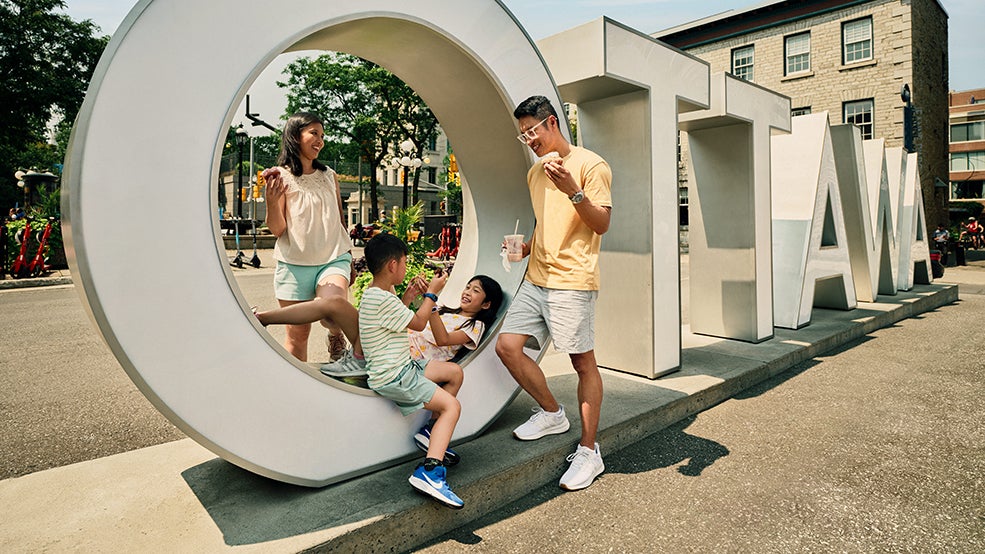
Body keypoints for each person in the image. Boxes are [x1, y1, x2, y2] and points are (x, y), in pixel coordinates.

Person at [495, 95, 612, 491]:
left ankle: (589, 450)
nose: (529, 139)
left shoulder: (591, 165)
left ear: (552, 124)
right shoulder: (534, 175)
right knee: (507, 346)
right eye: (522, 135)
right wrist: (526, 248)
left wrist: (573, 191)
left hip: (572, 280)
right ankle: (551, 412)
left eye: (532, 131)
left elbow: (601, 225)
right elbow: (549, 226)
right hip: (536, 277)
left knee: (583, 364)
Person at [359, 233, 466, 509]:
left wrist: (409, 296)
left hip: (402, 367)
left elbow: (399, 319)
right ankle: (430, 472)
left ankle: (432, 435)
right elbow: (419, 324)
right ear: (393, 265)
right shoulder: (382, 299)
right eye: (404, 263)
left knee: (453, 373)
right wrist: (432, 293)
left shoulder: (377, 294)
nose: (406, 268)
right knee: (451, 407)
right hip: (396, 375)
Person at [261, 112, 362, 367]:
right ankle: (298, 392)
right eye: (314, 133)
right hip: (294, 264)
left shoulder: (329, 175)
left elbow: (340, 218)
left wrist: (348, 257)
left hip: (332, 258)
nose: (320, 140)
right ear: (296, 136)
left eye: (322, 135)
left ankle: (335, 335)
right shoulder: (280, 177)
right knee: (297, 336)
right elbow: (277, 229)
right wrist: (271, 203)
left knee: (333, 307)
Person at [408, 275, 503, 463]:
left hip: (418, 360)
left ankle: (432, 428)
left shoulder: (475, 326)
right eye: (467, 287)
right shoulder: (445, 311)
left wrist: (433, 303)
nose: (467, 292)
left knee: (454, 373)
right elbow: (417, 322)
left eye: (476, 290)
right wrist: (425, 297)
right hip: (406, 343)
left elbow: (443, 340)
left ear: (485, 305)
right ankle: (431, 432)